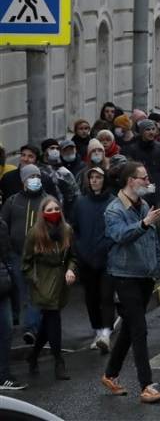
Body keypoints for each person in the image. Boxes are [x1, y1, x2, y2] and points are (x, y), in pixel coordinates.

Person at [101, 160, 160, 404]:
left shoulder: (145, 205)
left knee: (129, 328)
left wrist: (158, 265)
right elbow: (120, 235)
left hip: (145, 275)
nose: (148, 181)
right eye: (144, 178)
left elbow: (153, 240)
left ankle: (110, 374)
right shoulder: (114, 210)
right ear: (131, 181)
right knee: (139, 329)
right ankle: (146, 385)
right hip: (124, 276)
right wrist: (144, 223)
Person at [21, 195, 76, 381]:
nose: (54, 213)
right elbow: (26, 262)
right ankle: (59, 361)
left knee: (47, 323)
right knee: (54, 318)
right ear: (42, 213)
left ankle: (33, 356)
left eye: (56, 209)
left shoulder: (67, 230)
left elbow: (73, 256)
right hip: (43, 281)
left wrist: (70, 270)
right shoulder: (35, 233)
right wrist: (34, 279)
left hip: (61, 281)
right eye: (49, 210)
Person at [0, 164, 51, 346]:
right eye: (30, 177)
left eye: (37, 175)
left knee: (34, 294)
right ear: (23, 181)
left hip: (40, 257)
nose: (34, 179)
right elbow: (3, 225)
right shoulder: (12, 202)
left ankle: (30, 328)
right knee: (21, 293)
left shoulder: (48, 201)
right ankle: (27, 322)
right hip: (16, 255)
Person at [71, 166, 115, 352]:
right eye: (92, 177)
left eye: (98, 177)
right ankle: (97, 330)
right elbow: (75, 228)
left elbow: (115, 229)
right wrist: (79, 249)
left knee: (106, 295)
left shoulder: (113, 202)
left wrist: (108, 246)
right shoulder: (80, 203)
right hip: (86, 258)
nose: (95, 180)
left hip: (108, 258)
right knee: (90, 297)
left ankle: (106, 332)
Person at [0, 216, 26, 390]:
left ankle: (3, 375)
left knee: (6, 330)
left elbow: (7, 255)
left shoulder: (1, 225)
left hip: (3, 285)